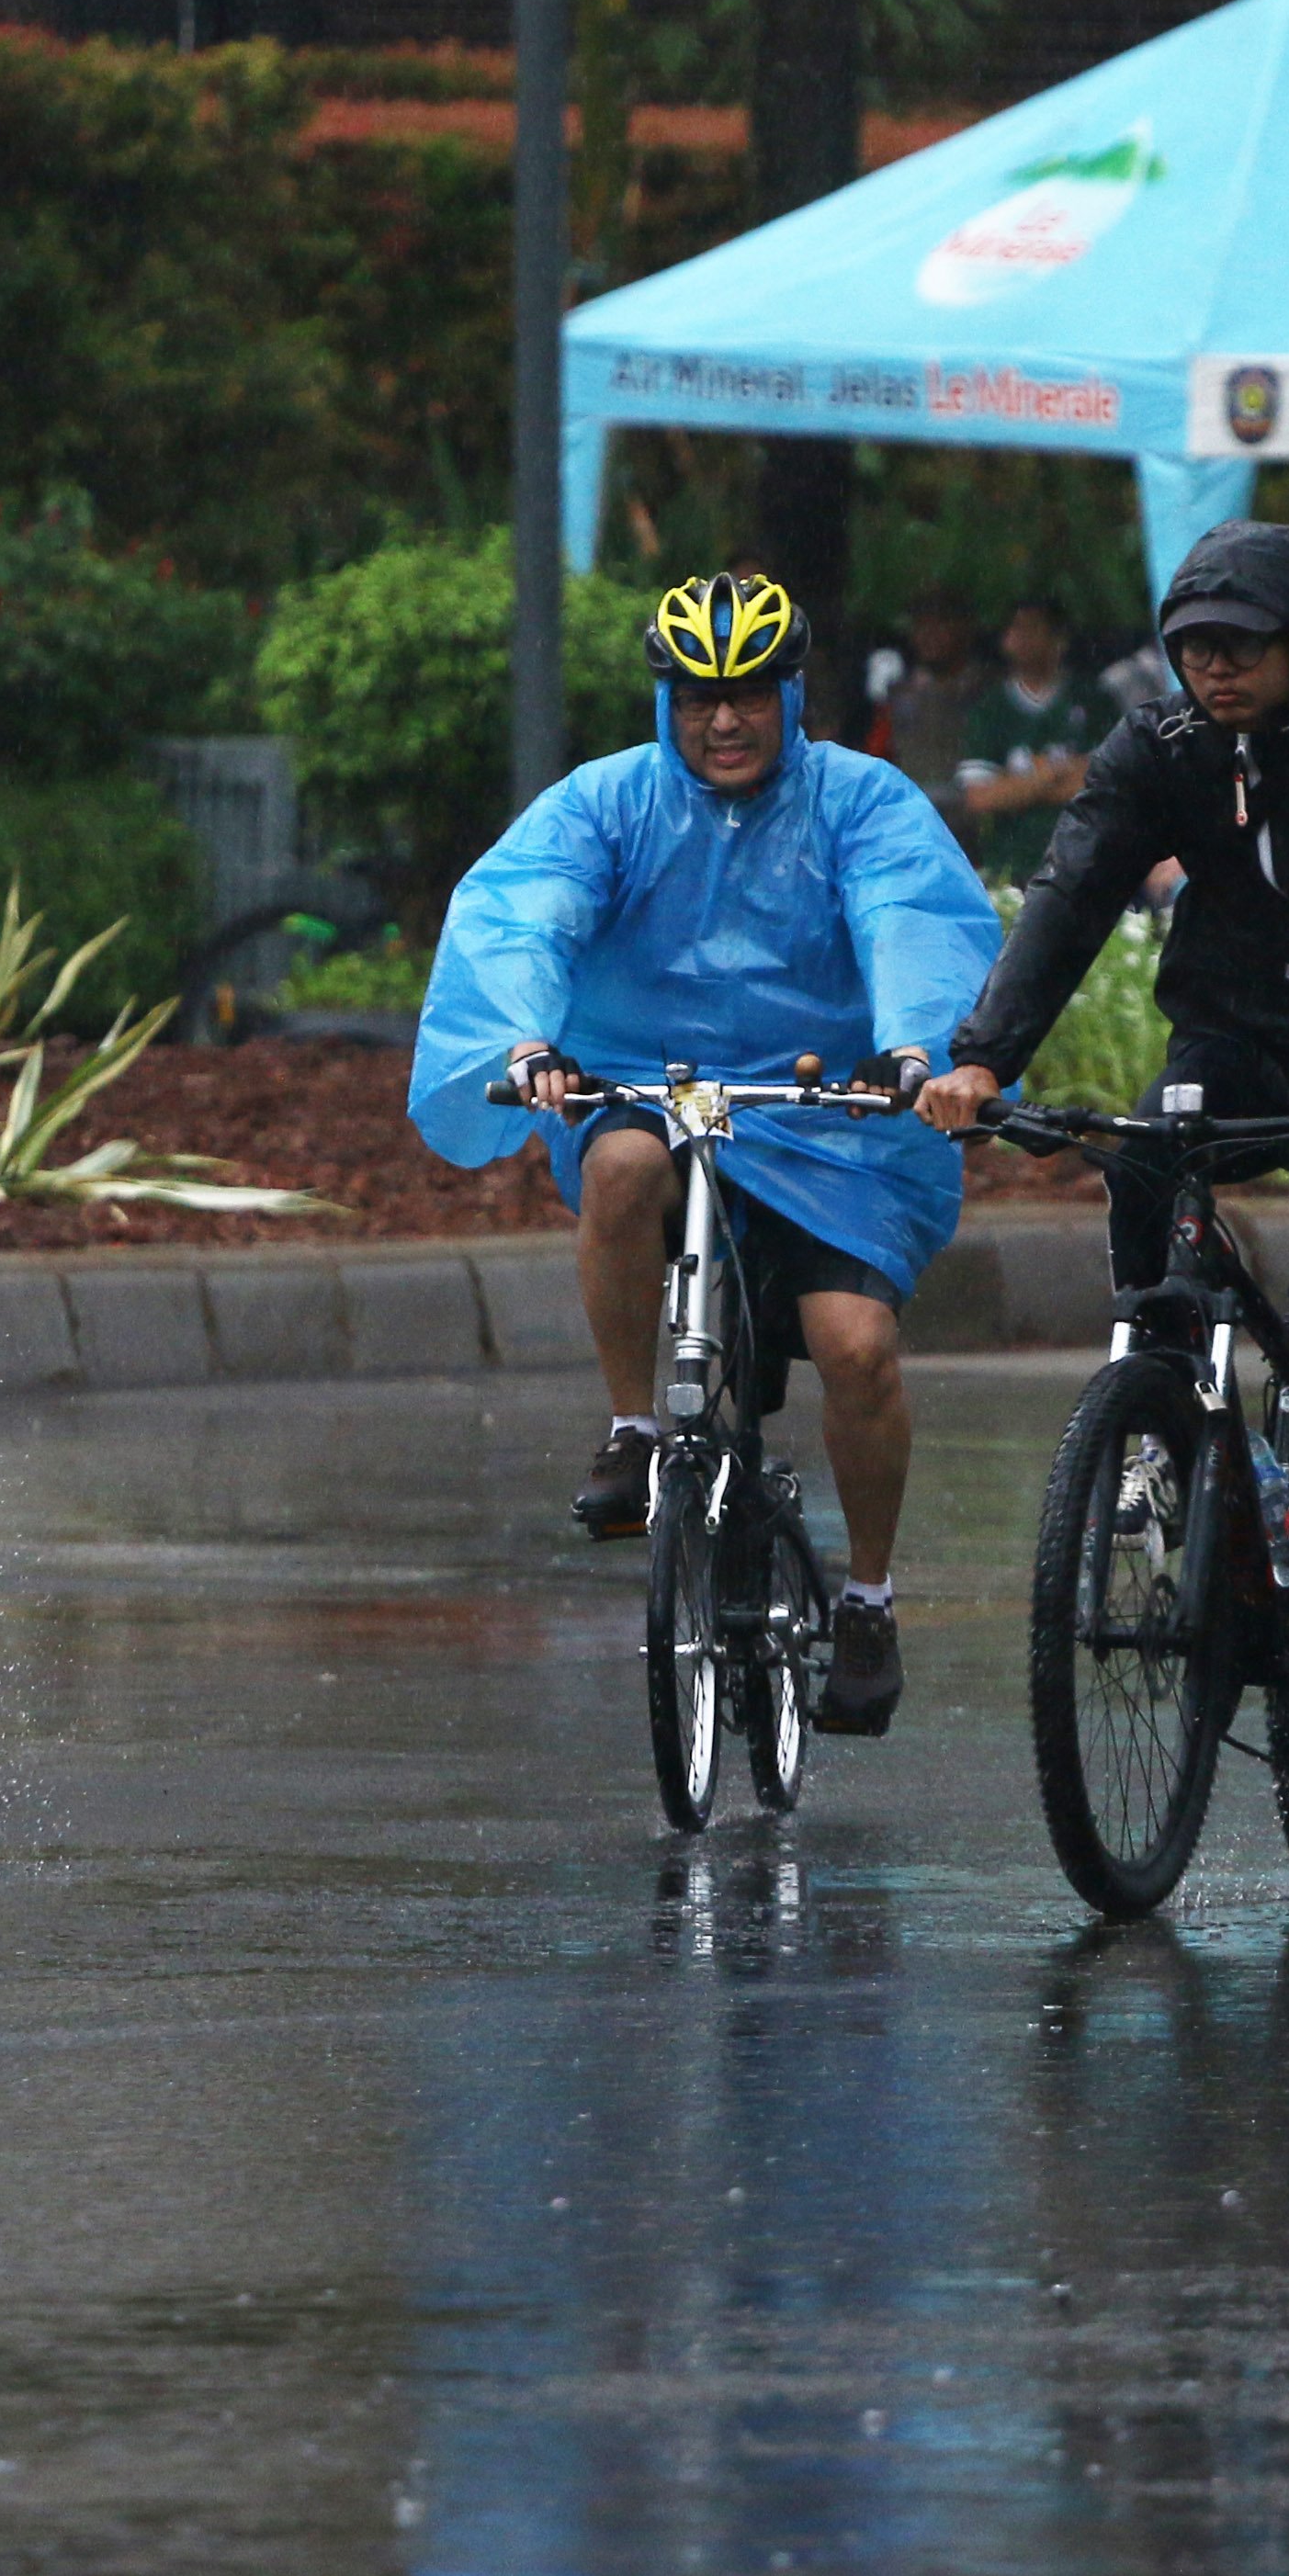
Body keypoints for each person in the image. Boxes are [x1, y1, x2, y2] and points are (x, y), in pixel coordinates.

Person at [917, 521, 1289, 1812]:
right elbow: (1067, 893)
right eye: (1192, 650)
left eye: (1240, 647)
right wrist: (983, 1056)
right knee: (1141, 1140)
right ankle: (1162, 1396)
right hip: (1228, 1041)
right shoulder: (1156, 753)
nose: (1214, 671)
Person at [411, 571, 999, 1735]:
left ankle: (870, 1602)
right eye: (694, 697)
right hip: (660, 1089)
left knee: (858, 1347)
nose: (720, 721)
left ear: (790, 695)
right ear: (665, 701)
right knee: (619, 1168)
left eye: (745, 695)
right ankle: (637, 1430)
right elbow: (532, 910)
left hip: (834, 1116)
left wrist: (914, 1048)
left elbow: (911, 921)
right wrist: (531, 1035)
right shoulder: (608, 800)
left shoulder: (862, 802)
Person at [958, 595, 1101, 884]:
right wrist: (1053, 774)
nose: (1018, 639)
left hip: (1086, 861)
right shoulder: (990, 709)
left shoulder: (1094, 701)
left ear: (1059, 639)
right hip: (1011, 866)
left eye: (1031, 629)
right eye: (1013, 630)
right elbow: (980, 796)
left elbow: (1106, 783)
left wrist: (1016, 786)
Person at [864, 589, 989, 854]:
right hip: (909, 830)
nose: (928, 634)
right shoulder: (896, 696)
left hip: (975, 828)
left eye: (940, 624)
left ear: (964, 628)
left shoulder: (989, 691)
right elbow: (877, 759)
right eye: (921, 625)